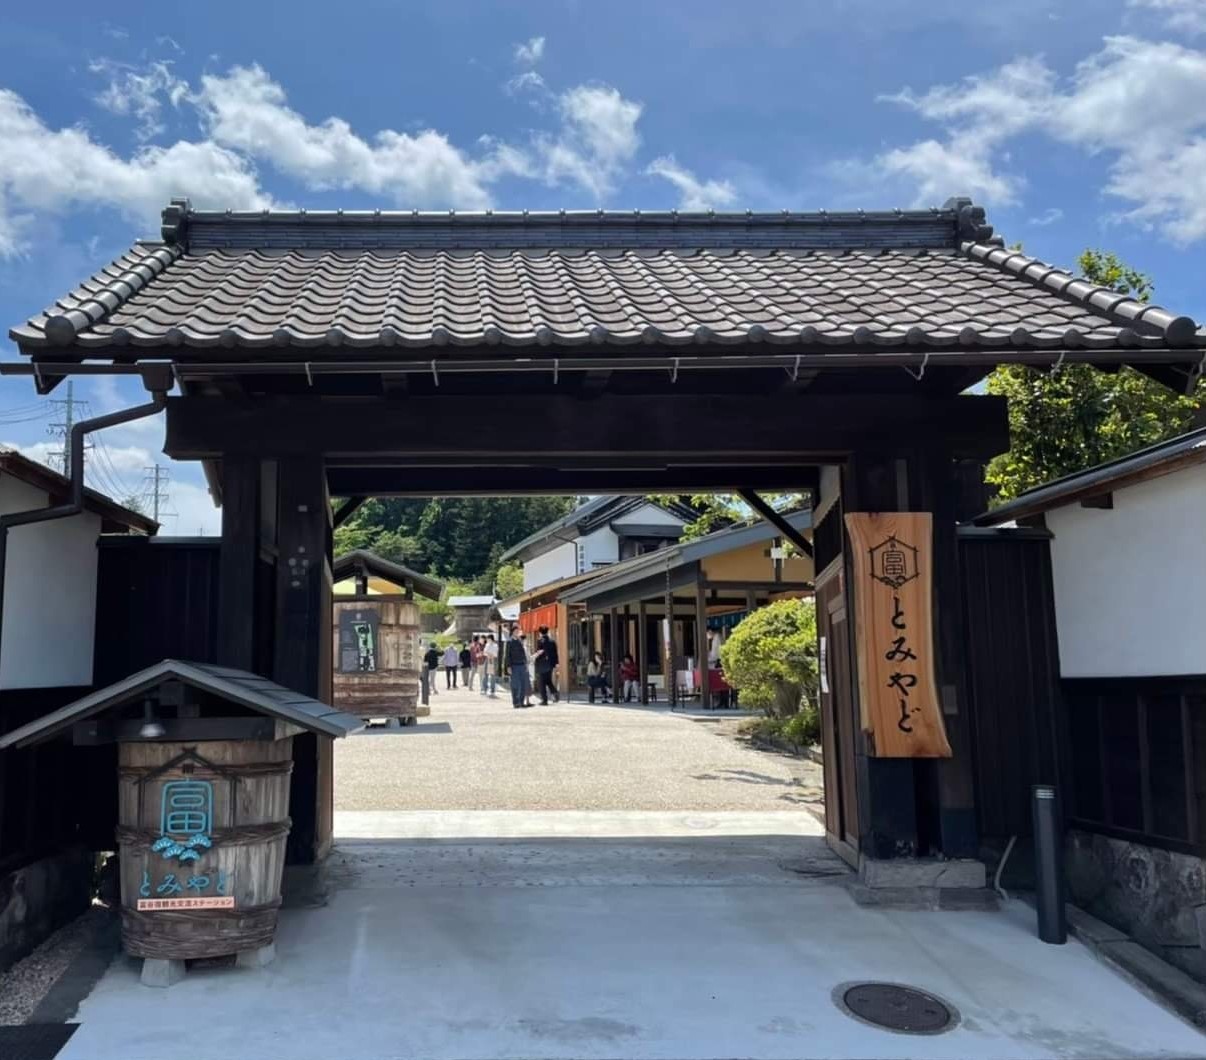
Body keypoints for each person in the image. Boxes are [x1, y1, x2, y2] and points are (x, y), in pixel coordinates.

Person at [505, 626, 530, 708]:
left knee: (523, 684)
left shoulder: (520, 641)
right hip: (514, 666)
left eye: (518, 631)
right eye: (515, 631)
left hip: (522, 665)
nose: (517, 632)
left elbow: (523, 654)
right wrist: (508, 666)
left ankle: (521, 702)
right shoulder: (509, 641)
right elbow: (507, 655)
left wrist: (526, 664)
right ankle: (516, 702)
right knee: (515, 684)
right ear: (512, 632)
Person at [534, 625, 559, 706]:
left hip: (542, 664)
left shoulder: (540, 641)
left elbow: (539, 653)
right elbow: (555, 653)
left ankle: (544, 700)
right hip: (551, 664)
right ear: (547, 631)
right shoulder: (552, 641)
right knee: (548, 680)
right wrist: (556, 663)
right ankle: (554, 692)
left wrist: (536, 662)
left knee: (542, 682)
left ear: (540, 632)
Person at [481, 633, 499, 698]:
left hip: (493, 660)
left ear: (491, 639)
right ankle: (484, 689)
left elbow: (495, 654)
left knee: (493, 676)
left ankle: (492, 691)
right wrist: (488, 654)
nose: (487, 640)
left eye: (488, 639)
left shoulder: (495, 645)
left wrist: (490, 654)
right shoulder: (487, 645)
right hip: (487, 659)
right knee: (485, 675)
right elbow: (484, 652)